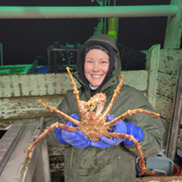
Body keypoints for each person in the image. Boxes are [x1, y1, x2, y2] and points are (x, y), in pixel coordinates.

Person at [46, 34, 164, 182]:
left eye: (103, 62)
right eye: (90, 61)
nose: (96, 68)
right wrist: (60, 134)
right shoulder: (72, 98)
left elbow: (155, 146)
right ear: (82, 64)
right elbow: (49, 134)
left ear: (113, 65)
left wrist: (131, 133)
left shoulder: (132, 97)